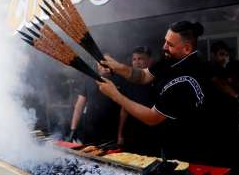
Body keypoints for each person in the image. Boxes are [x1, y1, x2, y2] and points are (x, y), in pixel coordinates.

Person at [96, 21, 224, 164]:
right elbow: (143, 76)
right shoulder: (171, 60)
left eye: (170, 44)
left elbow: (152, 117)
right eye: (165, 41)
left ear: (187, 48)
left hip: (190, 152)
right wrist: (117, 66)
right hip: (167, 144)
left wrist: (115, 95)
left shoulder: (186, 80)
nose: (164, 47)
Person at [67, 63, 122, 144]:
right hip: (90, 130)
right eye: (101, 64)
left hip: (111, 130)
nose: (104, 67)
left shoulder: (118, 80)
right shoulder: (88, 80)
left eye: (106, 64)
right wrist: (73, 129)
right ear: (97, 65)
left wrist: (120, 134)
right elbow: (79, 106)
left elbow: (123, 110)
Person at [117, 46, 157, 155]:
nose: (136, 62)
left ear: (149, 61)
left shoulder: (157, 81)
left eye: (140, 59)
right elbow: (124, 109)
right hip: (131, 132)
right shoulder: (127, 82)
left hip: (152, 133)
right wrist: (120, 134)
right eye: (134, 59)